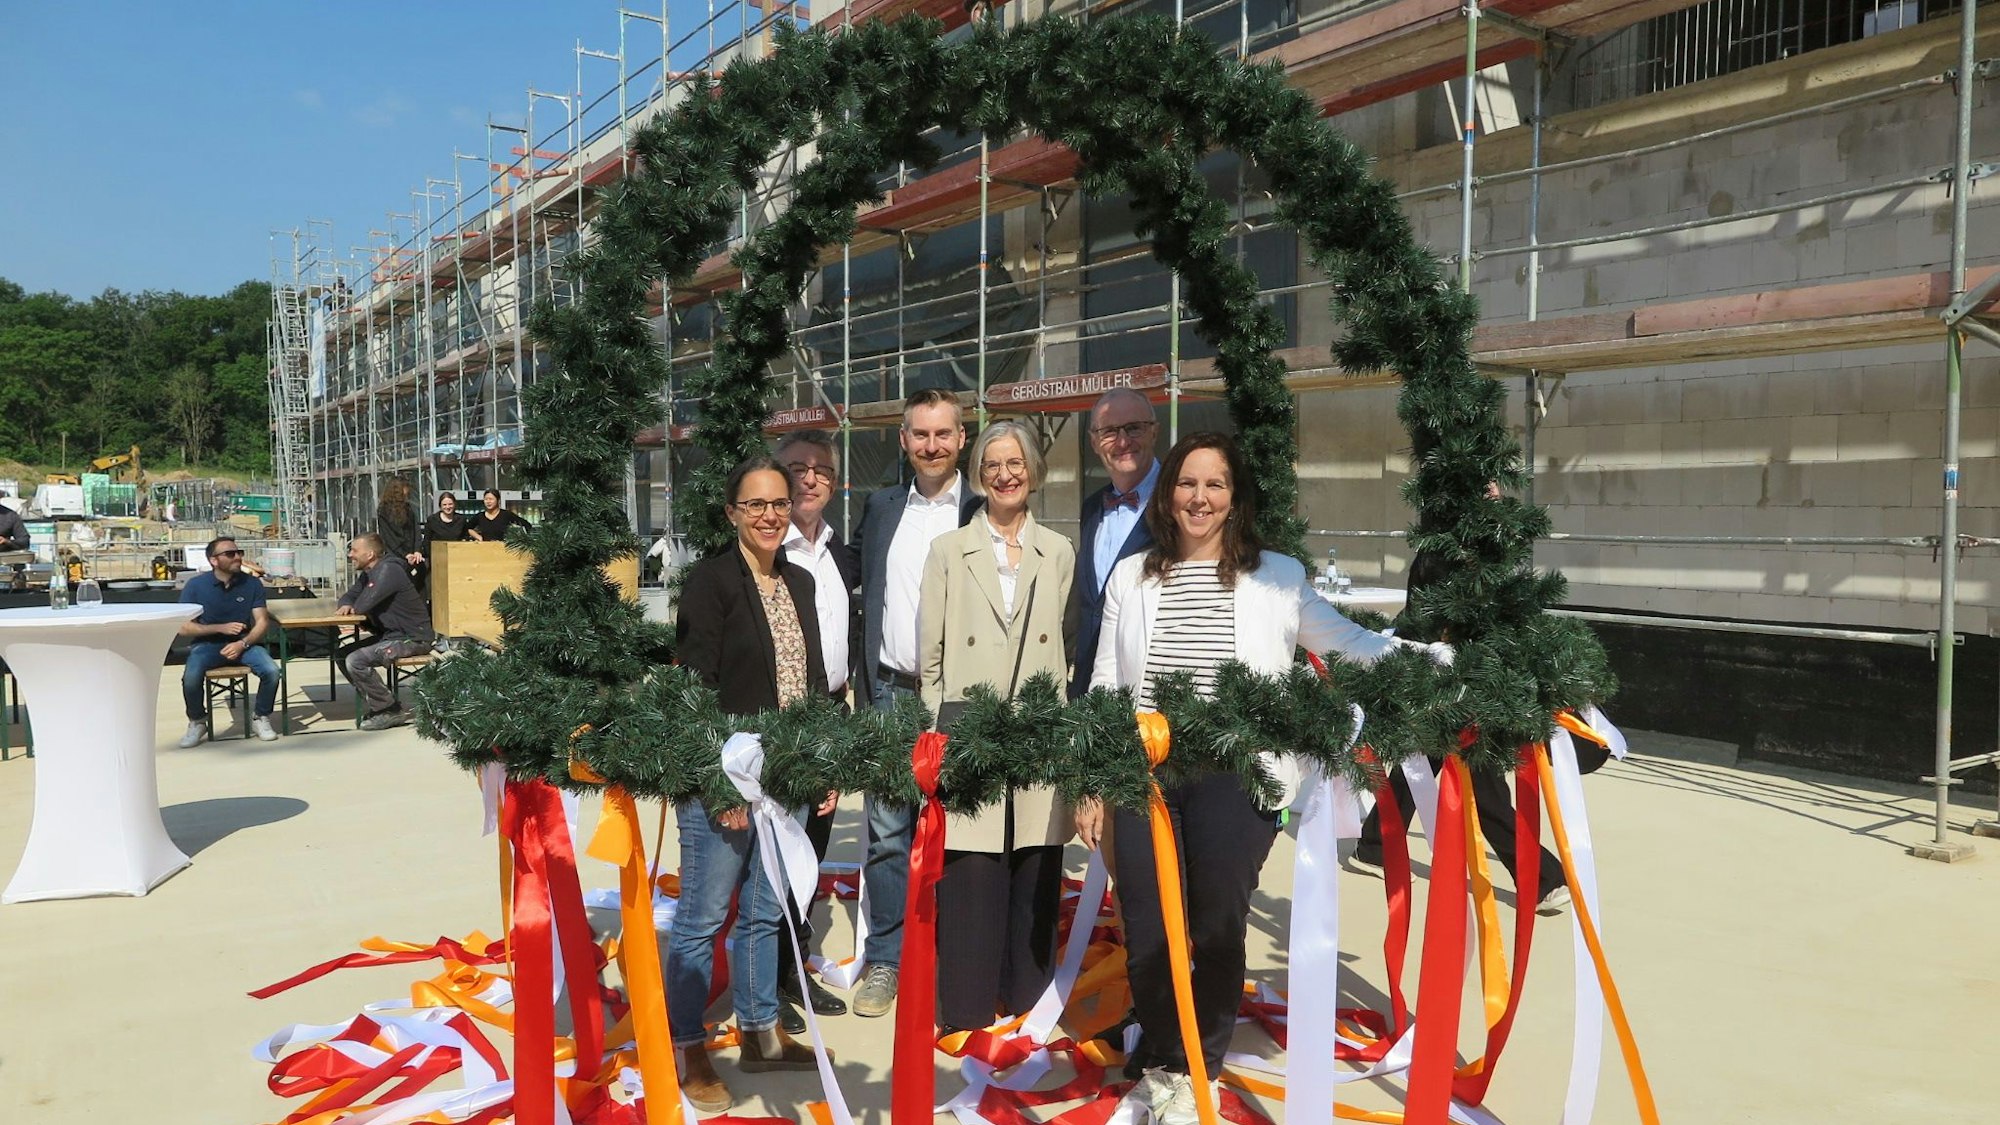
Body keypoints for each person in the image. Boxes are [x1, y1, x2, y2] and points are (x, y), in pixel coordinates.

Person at [1078, 433, 1452, 1123]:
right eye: (1187, 483)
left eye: (1214, 484)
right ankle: (1164, 1066)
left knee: (1217, 921)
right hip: (1144, 773)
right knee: (1151, 925)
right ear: (1167, 495)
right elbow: (1105, 684)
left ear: (1234, 496)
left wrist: (1439, 660)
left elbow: (1351, 643)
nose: (1199, 497)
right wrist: (1093, 781)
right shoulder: (1131, 576)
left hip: (1238, 773)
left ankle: (1201, 1070)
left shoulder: (1276, 575)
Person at [671, 457, 836, 1112]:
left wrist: (823, 763)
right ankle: (686, 1044)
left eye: (778, 502)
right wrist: (717, 786)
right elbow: (692, 690)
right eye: (756, 503)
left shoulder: (797, 582)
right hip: (725, 777)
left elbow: (814, 679)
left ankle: (761, 1032)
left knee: (768, 909)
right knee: (704, 915)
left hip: (786, 775)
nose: (771, 514)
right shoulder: (710, 583)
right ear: (732, 512)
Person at [918, 419, 1075, 1033]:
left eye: (1015, 464)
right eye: (991, 466)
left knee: (1035, 868)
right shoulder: (949, 553)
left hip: (1038, 731)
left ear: (1033, 471)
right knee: (972, 874)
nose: (1005, 475)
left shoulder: (1057, 551)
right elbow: (929, 659)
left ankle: (1027, 1007)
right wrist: (939, 733)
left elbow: (1061, 649)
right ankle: (965, 1009)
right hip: (968, 732)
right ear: (978, 476)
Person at [853, 387, 983, 1018]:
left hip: (958, 698)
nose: (932, 446)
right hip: (887, 691)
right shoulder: (879, 509)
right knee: (885, 830)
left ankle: (950, 956)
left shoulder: (985, 513)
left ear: (963, 439)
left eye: (943, 434)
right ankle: (885, 958)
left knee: (957, 829)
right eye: (920, 435)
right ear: (903, 441)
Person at [1348, 551, 1572, 913]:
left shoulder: (1488, 546)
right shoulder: (1449, 550)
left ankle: (1374, 846)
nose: (1495, 492)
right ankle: (1541, 880)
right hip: (1450, 679)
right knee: (1483, 792)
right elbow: (1430, 612)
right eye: (1490, 491)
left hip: (1472, 679)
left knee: (1417, 767)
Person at [773, 430, 860, 1033]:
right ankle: (769, 982)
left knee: (813, 851)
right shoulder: (765, 550)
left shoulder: (840, 554)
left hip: (831, 711)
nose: (809, 479)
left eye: (821, 470)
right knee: (774, 860)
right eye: (797, 468)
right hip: (779, 719)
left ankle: (793, 971)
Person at [1070, 388, 1160, 700]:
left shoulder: (1179, 505)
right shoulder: (1092, 507)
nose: (1122, 442)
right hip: (1087, 688)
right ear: (1094, 441)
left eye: (1133, 428)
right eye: (1109, 431)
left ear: (1153, 432)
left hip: (1147, 694)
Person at [176, 537, 282, 747]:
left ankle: (260, 716)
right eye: (230, 554)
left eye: (239, 552)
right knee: (190, 678)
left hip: (244, 643)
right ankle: (197, 721)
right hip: (208, 645)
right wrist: (218, 628)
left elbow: (262, 622)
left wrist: (243, 644)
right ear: (213, 560)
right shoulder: (196, 585)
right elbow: (183, 627)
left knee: (271, 671)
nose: (238, 557)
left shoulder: (251, 584)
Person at [335, 533, 436, 730]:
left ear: (370, 554)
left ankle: (389, 710)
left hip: (413, 638)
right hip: (392, 635)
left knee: (355, 660)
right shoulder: (369, 573)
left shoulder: (388, 570)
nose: (350, 554)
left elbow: (363, 605)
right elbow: (349, 596)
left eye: (354, 550)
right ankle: (381, 701)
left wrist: (354, 605)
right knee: (342, 655)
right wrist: (347, 603)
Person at [413, 492, 469, 594]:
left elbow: (465, 539)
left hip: (456, 561)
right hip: (437, 561)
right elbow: (427, 541)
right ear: (440, 506)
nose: (448, 507)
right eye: (445, 505)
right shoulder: (432, 520)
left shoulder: (461, 520)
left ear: (454, 504)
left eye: (450, 504)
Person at [376, 479, 422, 582]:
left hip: (411, 553)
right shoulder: (383, 510)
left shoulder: (408, 508)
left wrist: (417, 550)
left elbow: (416, 530)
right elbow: (388, 537)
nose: (407, 493)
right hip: (395, 555)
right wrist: (404, 554)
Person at [467, 488, 532, 543]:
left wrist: (517, 540)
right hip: (485, 548)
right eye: (486, 499)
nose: (488, 501)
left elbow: (526, 524)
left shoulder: (506, 514)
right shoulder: (480, 516)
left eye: (491, 499)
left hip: (502, 548)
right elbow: (468, 528)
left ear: (498, 500)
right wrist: (478, 537)